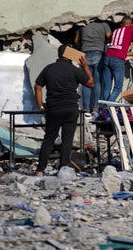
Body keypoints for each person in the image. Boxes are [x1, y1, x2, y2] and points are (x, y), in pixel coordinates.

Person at [34, 44, 94, 176]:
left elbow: (38, 86)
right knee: (67, 140)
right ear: (69, 54)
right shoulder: (74, 70)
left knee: (49, 139)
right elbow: (91, 84)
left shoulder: (49, 69)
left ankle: (40, 170)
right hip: (70, 109)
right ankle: (62, 169)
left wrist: (41, 105)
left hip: (54, 108)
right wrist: (85, 66)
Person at [102, 16, 133, 102]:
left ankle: (104, 108)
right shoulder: (131, 29)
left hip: (107, 57)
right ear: (131, 24)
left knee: (107, 86)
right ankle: (107, 107)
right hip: (117, 60)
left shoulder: (115, 31)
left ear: (121, 24)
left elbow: (116, 48)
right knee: (118, 87)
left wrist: (131, 53)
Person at [74, 20, 111, 113]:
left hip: (84, 54)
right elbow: (109, 36)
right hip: (99, 53)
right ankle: (95, 108)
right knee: (97, 82)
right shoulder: (104, 24)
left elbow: (76, 41)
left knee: (86, 82)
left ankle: (86, 109)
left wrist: (81, 45)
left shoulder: (82, 25)